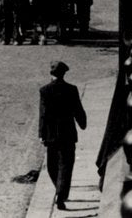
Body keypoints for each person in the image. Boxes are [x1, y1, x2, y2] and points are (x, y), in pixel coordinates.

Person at [39, 60, 87, 210]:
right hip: (68, 133)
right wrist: (82, 123)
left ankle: (59, 190)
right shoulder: (71, 89)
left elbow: (43, 114)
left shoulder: (45, 90)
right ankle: (61, 193)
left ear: (51, 73)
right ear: (64, 73)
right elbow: (78, 109)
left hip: (51, 135)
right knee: (66, 165)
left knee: (52, 166)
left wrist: (41, 134)